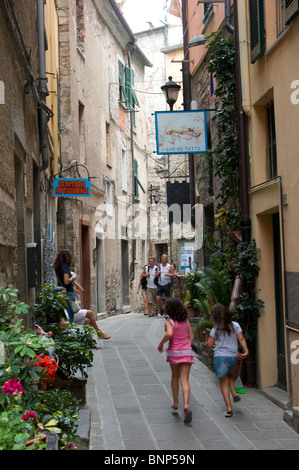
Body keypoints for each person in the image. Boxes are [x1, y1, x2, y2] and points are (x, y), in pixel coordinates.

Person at [205, 303, 249, 417]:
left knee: (223, 383)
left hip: (220, 357)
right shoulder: (235, 325)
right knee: (229, 374)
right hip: (233, 357)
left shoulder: (216, 328)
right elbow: (241, 338)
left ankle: (229, 408)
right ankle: (234, 392)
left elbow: (209, 344)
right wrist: (246, 350)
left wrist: (207, 346)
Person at [157, 298, 194, 424]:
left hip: (174, 353)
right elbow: (191, 337)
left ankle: (176, 403)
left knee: (175, 377)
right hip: (187, 352)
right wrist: (186, 347)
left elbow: (169, 334)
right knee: (185, 380)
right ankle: (186, 405)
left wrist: (161, 344)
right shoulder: (186, 322)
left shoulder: (169, 322)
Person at [71, 272, 111, 340]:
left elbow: (81, 290)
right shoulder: (65, 289)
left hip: (75, 311)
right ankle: (99, 332)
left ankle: (89, 341)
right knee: (89, 313)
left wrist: (73, 282)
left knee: (88, 321)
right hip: (70, 313)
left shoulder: (71, 288)